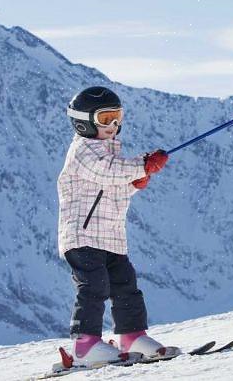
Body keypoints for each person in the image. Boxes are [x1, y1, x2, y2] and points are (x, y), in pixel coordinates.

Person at [58, 86, 174, 365]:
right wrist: (141, 165)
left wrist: (133, 183)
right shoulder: (83, 151)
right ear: (83, 121)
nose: (113, 125)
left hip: (111, 238)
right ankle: (85, 345)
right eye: (105, 118)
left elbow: (112, 186)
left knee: (126, 286)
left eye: (117, 117)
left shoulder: (108, 153)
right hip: (83, 236)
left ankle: (132, 335)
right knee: (94, 287)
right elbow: (107, 171)